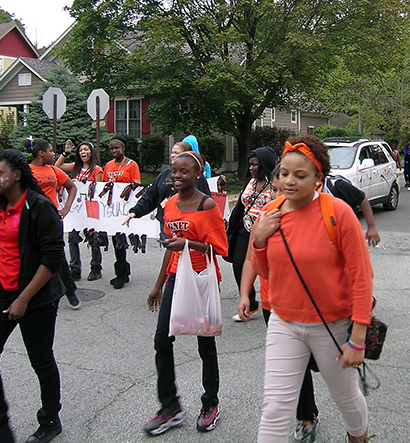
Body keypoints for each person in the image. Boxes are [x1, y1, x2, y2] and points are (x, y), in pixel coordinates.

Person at [251, 135, 374, 443]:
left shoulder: (338, 213)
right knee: (275, 409)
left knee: (346, 398)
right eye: (284, 173)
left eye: (300, 175)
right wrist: (260, 240)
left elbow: (362, 277)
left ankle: (358, 436)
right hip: (284, 322)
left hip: (331, 323)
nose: (288, 181)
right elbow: (266, 273)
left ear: (319, 177)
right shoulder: (272, 213)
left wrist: (358, 338)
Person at [0, 149, 66, 443]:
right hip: (1, 292)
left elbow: (52, 259)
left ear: (17, 175)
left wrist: (23, 299)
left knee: (41, 360)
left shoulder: (39, 207)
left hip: (36, 297)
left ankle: (50, 419)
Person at [143, 150, 228, 436]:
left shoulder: (206, 206)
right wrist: (158, 285)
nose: (176, 176)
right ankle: (170, 406)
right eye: (173, 171)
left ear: (198, 174)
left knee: (205, 344)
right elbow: (170, 247)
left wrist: (190, 246)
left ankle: (210, 403)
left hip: (202, 278)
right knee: (161, 341)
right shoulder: (169, 205)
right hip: (176, 278)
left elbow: (221, 249)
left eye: (183, 171)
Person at [27, 138, 81, 310]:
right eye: (50, 151)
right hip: (31, 220)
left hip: (52, 219)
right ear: (41, 153)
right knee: (32, 255)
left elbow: (72, 187)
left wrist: (65, 208)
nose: (53, 153)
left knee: (58, 255)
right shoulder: (26, 171)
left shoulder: (53, 170)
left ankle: (70, 291)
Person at [122, 140, 211, 239]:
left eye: (176, 153)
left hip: (188, 224)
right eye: (172, 153)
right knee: (171, 250)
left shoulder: (196, 177)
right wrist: (135, 212)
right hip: (166, 223)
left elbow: (206, 202)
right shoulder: (164, 175)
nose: (172, 155)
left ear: (187, 156)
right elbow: (150, 197)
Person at [227, 146, 276, 322]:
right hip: (245, 229)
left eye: (255, 165)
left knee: (266, 270)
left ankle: (273, 303)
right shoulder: (250, 181)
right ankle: (250, 301)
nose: (251, 168)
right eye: (250, 165)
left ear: (265, 165)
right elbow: (241, 204)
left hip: (266, 233)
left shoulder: (275, 185)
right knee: (239, 265)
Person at [55, 140, 103, 279]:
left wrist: (84, 184)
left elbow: (98, 190)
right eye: (81, 150)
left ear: (91, 152)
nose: (83, 152)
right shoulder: (76, 167)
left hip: (90, 207)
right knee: (73, 238)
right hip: (76, 208)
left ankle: (96, 268)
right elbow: (57, 167)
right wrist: (66, 152)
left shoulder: (97, 170)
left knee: (93, 238)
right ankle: (75, 269)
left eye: (86, 149)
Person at [101, 136, 141, 287]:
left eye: (117, 148)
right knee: (115, 240)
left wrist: (135, 184)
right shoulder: (109, 165)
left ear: (123, 148)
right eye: (112, 148)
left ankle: (121, 274)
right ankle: (123, 271)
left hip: (124, 207)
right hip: (112, 208)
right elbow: (103, 185)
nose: (114, 151)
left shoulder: (132, 165)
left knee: (120, 240)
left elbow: (137, 184)